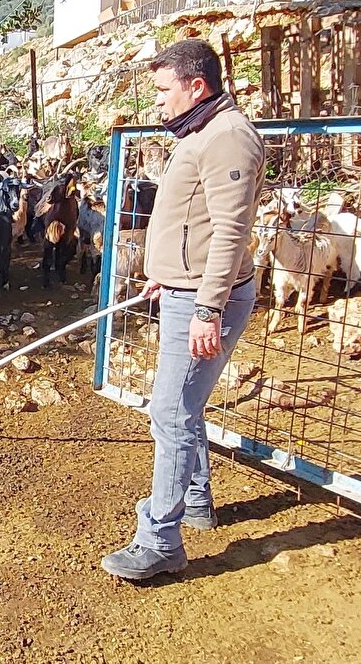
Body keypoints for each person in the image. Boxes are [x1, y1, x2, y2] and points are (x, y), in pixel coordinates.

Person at [101, 39, 265, 581]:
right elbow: (191, 217)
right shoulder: (202, 130)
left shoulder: (228, 138)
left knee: (168, 412)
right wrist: (164, 273)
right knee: (183, 407)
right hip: (183, 289)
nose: (158, 103)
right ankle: (195, 503)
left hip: (202, 299)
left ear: (197, 86)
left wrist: (206, 309)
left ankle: (160, 540)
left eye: (163, 91)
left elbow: (230, 233)